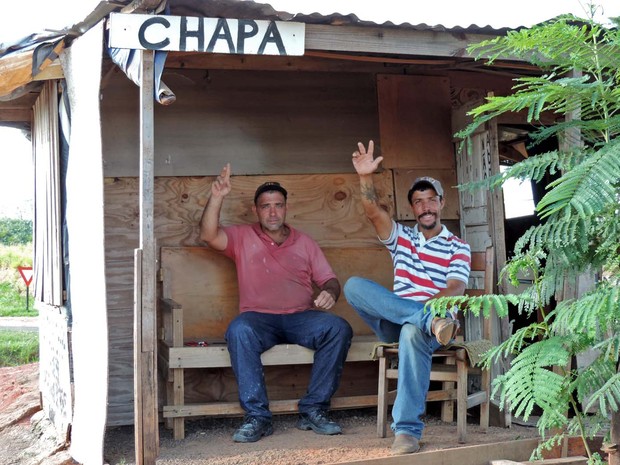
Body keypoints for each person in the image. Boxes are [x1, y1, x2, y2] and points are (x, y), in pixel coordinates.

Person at [199, 163, 353, 443]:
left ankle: (313, 410)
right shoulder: (242, 237)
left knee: (338, 328)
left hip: (300, 318)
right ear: (256, 210)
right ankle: (257, 418)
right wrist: (218, 196)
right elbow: (208, 235)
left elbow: (330, 279)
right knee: (239, 330)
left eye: (278, 205)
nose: (272, 212)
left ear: (286, 208)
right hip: (258, 319)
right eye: (265, 206)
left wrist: (331, 292)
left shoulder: (305, 242)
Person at [343, 140, 471, 455]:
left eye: (431, 200)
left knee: (413, 331)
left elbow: (455, 288)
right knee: (353, 286)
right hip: (409, 320)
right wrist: (364, 177)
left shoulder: (458, 246)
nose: (425, 207)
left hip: (434, 328)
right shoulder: (402, 238)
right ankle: (427, 320)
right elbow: (373, 211)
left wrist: (424, 314)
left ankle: (407, 433)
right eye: (418, 201)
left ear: (441, 203)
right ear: (412, 208)